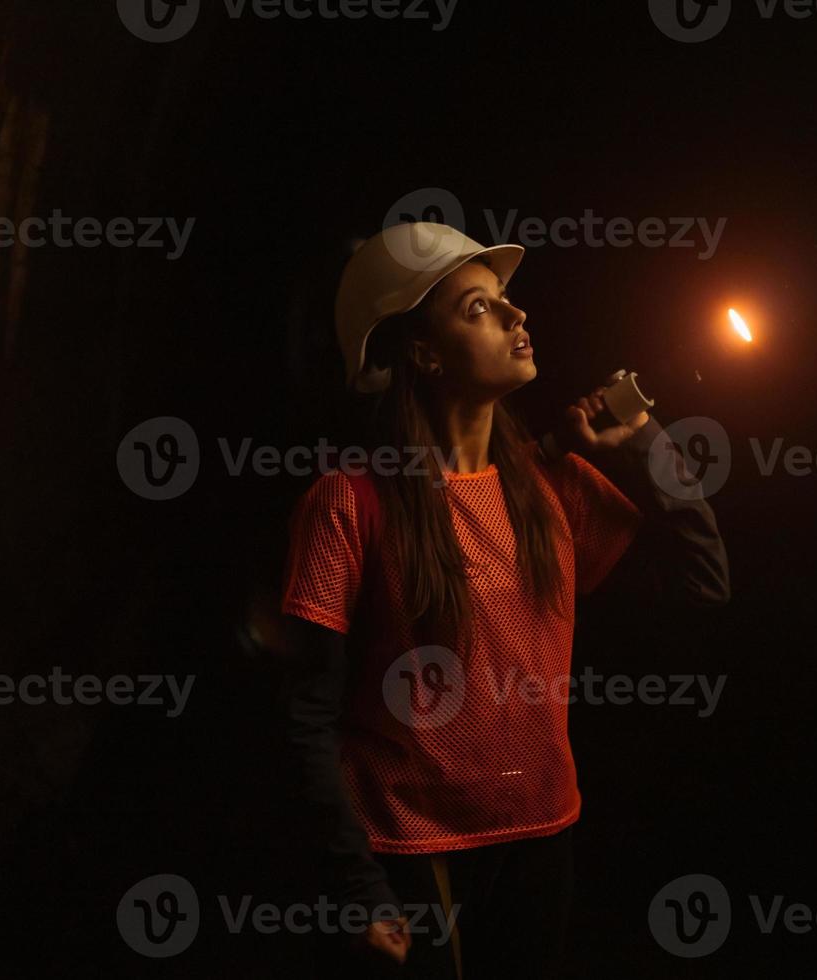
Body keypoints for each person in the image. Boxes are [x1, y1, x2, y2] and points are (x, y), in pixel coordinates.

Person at [276, 222, 730, 978]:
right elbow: (305, 717)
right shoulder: (347, 503)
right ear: (421, 353)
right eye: (478, 308)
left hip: (541, 840)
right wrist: (357, 890)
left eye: (506, 303)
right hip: (413, 854)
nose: (517, 317)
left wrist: (647, 441)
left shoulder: (550, 489)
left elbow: (702, 583)